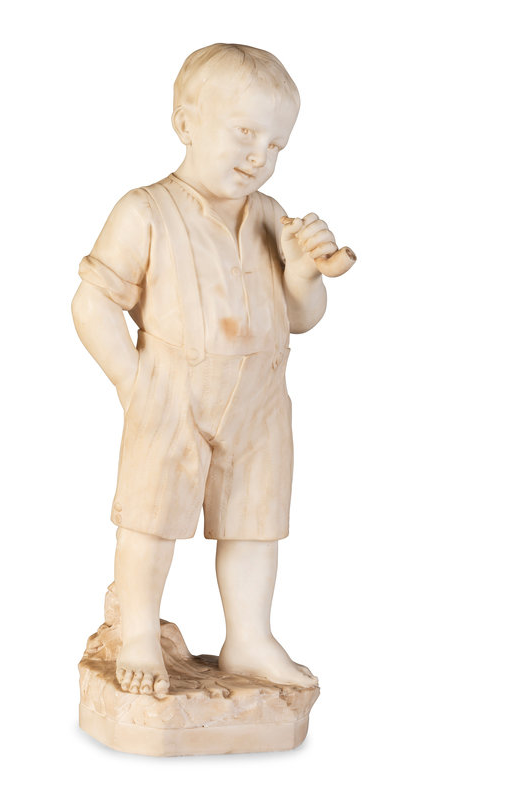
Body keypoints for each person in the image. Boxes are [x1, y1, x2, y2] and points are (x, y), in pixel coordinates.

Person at [72, 43, 348, 697]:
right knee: (151, 516)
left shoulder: (272, 217)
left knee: (255, 520)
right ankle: (138, 632)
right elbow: (92, 303)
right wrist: (133, 383)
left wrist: (306, 272)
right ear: (186, 123)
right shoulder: (145, 211)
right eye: (245, 133)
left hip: (260, 397)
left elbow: (301, 317)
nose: (259, 156)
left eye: (276, 144)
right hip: (171, 389)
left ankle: (249, 638)